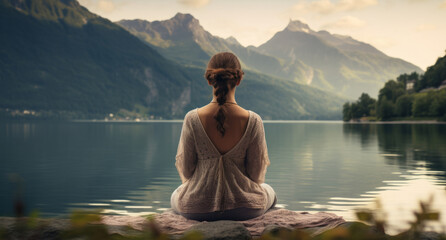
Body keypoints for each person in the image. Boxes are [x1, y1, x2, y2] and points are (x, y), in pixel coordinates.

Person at [170, 52, 276, 221]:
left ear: (209, 80)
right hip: (245, 208)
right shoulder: (253, 120)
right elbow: (256, 176)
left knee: (176, 194)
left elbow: (187, 170)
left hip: (197, 209)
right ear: (239, 80)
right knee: (269, 190)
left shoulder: (192, 118)